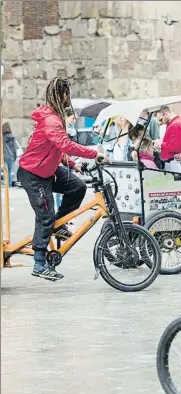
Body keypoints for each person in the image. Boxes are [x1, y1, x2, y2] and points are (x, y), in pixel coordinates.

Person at [17, 77, 108, 281]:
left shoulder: (54, 117)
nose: (69, 98)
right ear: (62, 95)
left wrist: (73, 164)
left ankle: (59, 224)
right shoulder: (52, 120)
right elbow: (65, 145)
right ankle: (39, 263)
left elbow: (56, 148)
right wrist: (94, 154)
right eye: (68, 94)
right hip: (33, 174)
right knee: (45, 216)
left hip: (47, 170)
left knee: (77, 187)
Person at [2, 122, 18, 188]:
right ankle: (9, 187)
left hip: (4, 157)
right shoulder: (13, 137)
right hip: (11, 157)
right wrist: (15, 157)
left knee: (5, 172)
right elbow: (14, 148)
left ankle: (6, 187)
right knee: (9, 172)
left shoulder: (2, 137)